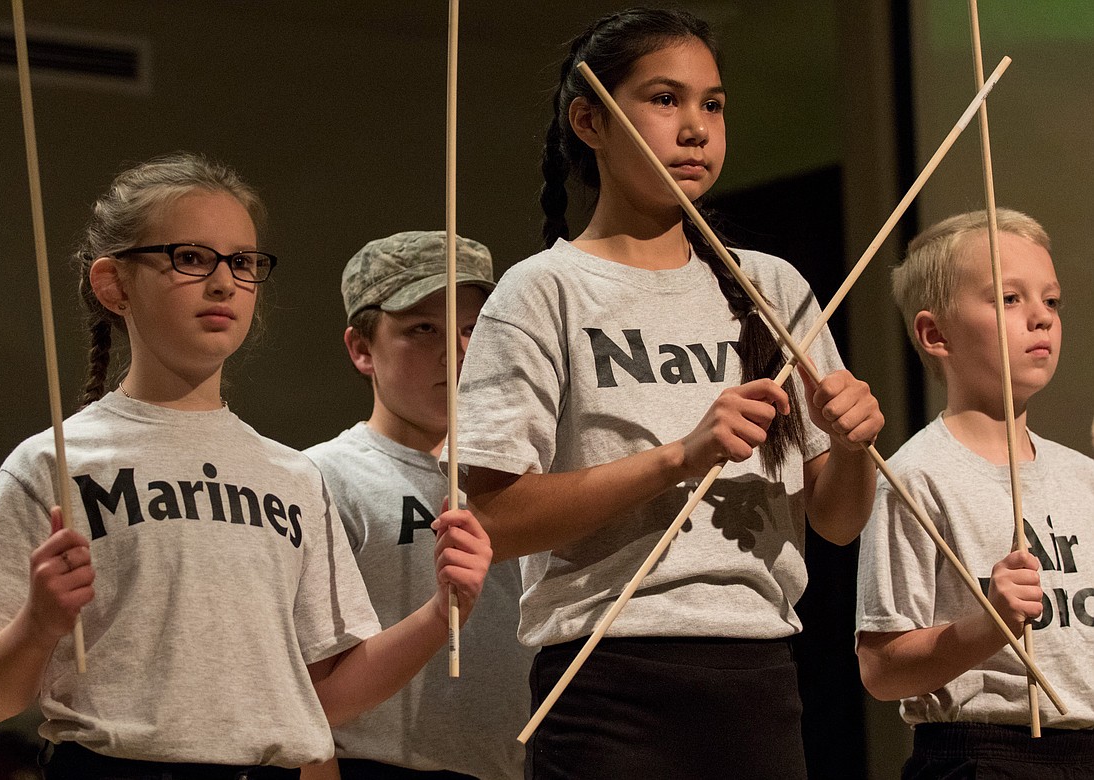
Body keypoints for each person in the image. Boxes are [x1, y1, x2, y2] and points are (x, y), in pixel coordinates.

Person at [0, 153, 492, 779]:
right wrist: (38, 624)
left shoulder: (289, 475)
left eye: (243, 262)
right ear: (113, 284)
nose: (225, 282)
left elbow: (325, 696)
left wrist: (439, 610)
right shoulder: (56, 462)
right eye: (191, 258)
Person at [450, 8, 885, 779]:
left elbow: (840, 521)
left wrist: (854, 447)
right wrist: (678, 457)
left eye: (712, 105)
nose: (695, 128)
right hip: (607, 678)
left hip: (761, 672)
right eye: (664, 99)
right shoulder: (544, 290)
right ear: (590, 119)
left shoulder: (773, 287)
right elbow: (493, 517)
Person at [856, 209, 1094, 778]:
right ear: (935, 334)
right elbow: (882, 668)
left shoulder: (1083, 476)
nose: (1041, 317)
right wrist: (988, 627)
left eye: (1051, 301)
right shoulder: (916, 476)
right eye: (1009, 299)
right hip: (984, 755)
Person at [301, 231, 533, 780]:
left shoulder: (527, 480)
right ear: (362, 349)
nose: (457, 351)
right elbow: (300, 682)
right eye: (422, 329)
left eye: (474, 328)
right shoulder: (320, 477)